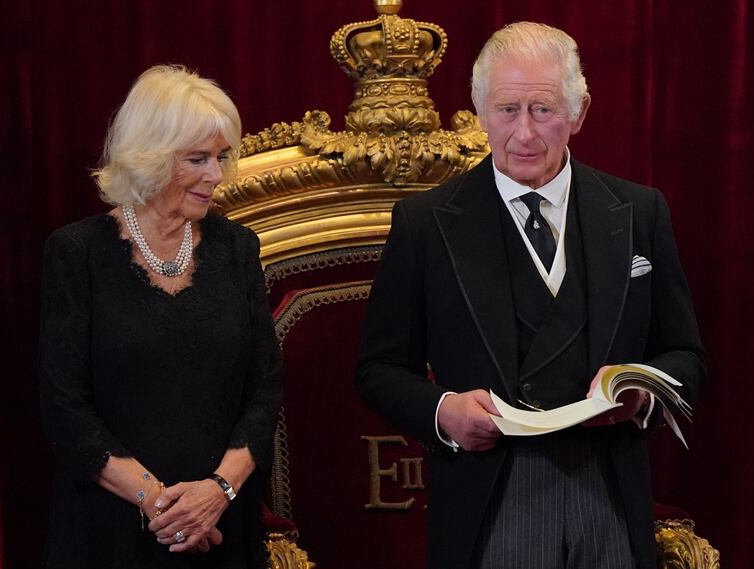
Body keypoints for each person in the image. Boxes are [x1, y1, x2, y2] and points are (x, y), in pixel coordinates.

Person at [356, 22, 704, 569]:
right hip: (490, 498)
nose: (523, 134)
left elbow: (685, 357)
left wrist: (639, 398)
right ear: (478, 111)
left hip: (609, 496)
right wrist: (445, 412)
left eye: (542, 110)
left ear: (579, 111)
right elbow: (378, 368)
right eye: (506, 110)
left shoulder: (639, 212)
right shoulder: (425, 224)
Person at [39, 65, 282, 568]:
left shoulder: (237, 248)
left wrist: (216, 493)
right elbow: (66, 408)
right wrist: (165, 507)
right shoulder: (76, 253)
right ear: (147, 156)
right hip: (110, 533)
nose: (216, 175)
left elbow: (265, 393)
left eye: (221, 157)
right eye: (197, 158)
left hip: (223, 527)